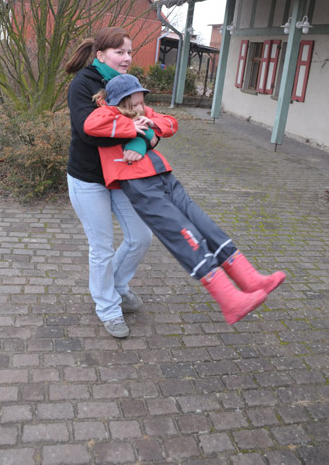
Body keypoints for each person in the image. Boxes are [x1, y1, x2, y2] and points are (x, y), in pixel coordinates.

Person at [84, 74, 286, 325]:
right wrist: (136, 128)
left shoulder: (142, 111)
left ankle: (250, 280)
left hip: (163, 174)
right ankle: (230, 301)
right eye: (133, 104)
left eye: (141, 102)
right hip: (139, 185)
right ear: (119, 102)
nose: (140, 108)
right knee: (185, 234)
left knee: (204, 225)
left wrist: (146, 131)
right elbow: (92, 125)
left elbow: (170, 123)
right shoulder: (106, 113)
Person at [65, 28, 154, 339]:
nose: (127, 58)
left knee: (141, 237)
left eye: (129, 52)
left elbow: (151, 127)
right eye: (120, 52)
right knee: (101, 247)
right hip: (88, 178)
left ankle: (116, 285)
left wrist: (143, 140)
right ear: (101, 55)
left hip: (121, 177)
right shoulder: (83, 84)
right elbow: (89, 132)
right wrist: (135, 128)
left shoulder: (128, 84)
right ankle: (107, 307)